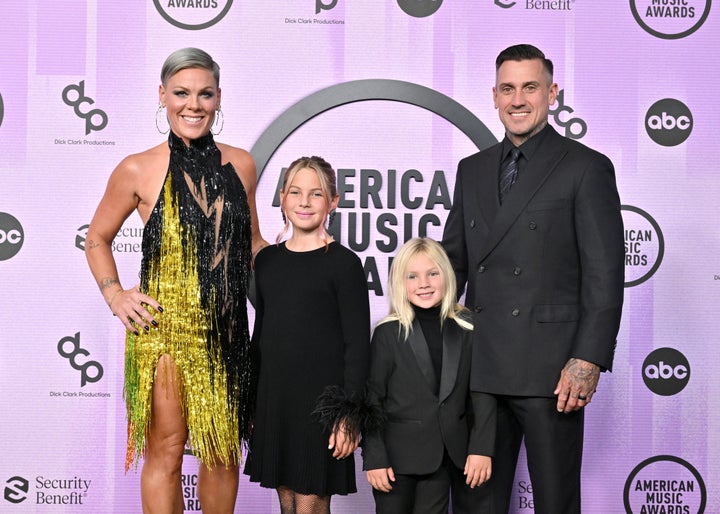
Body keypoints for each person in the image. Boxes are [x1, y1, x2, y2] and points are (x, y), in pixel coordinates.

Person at [441, 44, 624, 513]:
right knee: (477, 502)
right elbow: (453, 265)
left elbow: (605, 276)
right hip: (482, 370)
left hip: (553, 371)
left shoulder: (585, 167)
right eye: (507, 89)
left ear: (552, 93)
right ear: (494, 96)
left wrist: (588, 359)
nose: (517, 99)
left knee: (555, 503)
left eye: (530, 87)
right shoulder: (472, 170)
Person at [85, 47, 267, 513]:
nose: (194, 104)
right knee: (165, 451)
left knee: (223, 453)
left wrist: (304, 255)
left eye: (205, 94)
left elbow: (252, 246)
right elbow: (97, 239)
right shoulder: (136, 167)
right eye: (182, 93)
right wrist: (116, 295)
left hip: (227, 334)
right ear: (162, 96)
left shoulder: (242, 165)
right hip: (163, 332)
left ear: (219, 98)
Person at [245, 156, 371, 514]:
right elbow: (262, 335)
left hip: (323, 407)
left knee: (310, 506)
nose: (304, 202)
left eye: (316, 194)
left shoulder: (344, 264)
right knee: (287, 504)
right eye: (296, 192)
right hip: (277, 401)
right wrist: (253, 404)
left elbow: (358, 345)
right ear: (282, 198)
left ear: (333, 201)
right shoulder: (267, 262)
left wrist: (349, 414)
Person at [362, 237, 496, 514]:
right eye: (413, 276)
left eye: (432, 273)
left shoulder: (468, 328)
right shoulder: (387, 333)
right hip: (394, 461)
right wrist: (374, 457)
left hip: (445, 458)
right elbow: (372, 400)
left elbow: (481, 393)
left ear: (446, 276)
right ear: (400, 282)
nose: (423, 283)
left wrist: (482, 448)